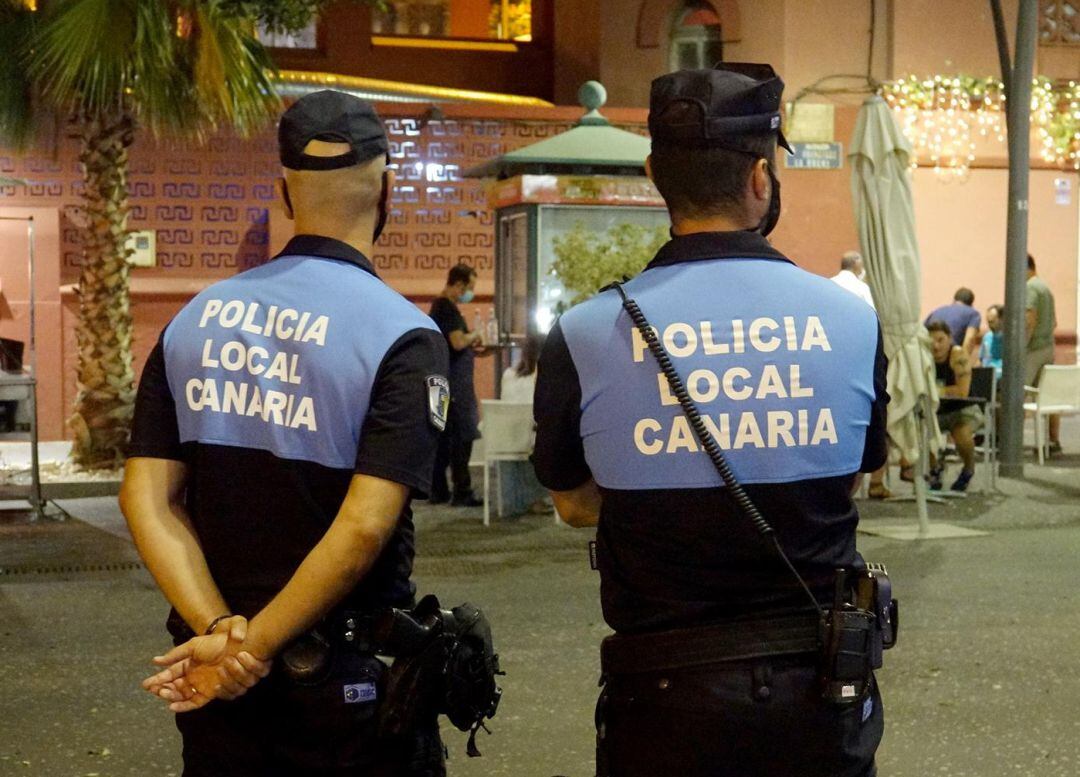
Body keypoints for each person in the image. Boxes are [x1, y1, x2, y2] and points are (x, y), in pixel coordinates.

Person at [533, 64, 889, 777]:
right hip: (816, 692)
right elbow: (852, 473)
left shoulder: (586, 330)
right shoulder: (852, 318)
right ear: (762, 178)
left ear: (654, 175)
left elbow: (573, 504)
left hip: (661, 702)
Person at [120, 90, 450, 775]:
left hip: (215, 679)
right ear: (386, 188)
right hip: (342, 687)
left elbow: (146, 498)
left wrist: (220, 633)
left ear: (285, 191)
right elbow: (363, 528)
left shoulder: (196, 317)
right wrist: (258, 646)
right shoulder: (402, 335)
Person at [428, 264, 484, 506]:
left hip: (443, 383)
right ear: (459, 284)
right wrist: (476, 334)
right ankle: (462, 491)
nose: (469, 293)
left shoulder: (439, 307)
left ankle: (439, 490)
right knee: (462, 437)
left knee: (442, 440)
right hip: (454, 388)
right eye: (469, 288)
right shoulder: (447, 308)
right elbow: (458, 342)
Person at [927, 320, 982, 491]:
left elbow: (962, 392)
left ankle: (968, 468)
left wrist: (934, 390)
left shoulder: (958, 356)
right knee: (921, 430)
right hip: (936, 410)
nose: (936, 346)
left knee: (961, 433)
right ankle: (935, 469)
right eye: (931, 341)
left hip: (964, 409)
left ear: (950, 339)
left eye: (940, 340)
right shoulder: (923, 357)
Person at [498, 333, 549, 515]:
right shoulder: (544, 377)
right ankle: (537, 498)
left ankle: (514, 499)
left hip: (505, 440)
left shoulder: (508, 374)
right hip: (531, 440)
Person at [1026, 254, 1060, 454]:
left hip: (1033, 349)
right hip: (1049, 346)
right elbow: (1054, 322)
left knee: (1016, 393)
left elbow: (1029, 319)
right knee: (1048, 396)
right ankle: (1054, 440)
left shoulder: (1030, 288)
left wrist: (1021, 346)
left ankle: (1010, 441)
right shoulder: (1046, 288)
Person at [925, 287, 980, 353]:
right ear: (971, 304)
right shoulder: (973, 314)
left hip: (929, 351)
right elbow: (970, 339)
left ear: (954, 300)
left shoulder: (937, 310)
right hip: (949, 354)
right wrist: (963, 360)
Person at [978, 303, 1004, 378]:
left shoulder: (1010, 340)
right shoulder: (987, 337)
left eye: (992, 322)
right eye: (988, 322)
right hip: (986, 377)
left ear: (1002, 319)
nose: (989, 325)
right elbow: (981, 360)